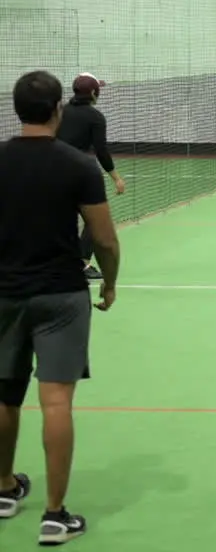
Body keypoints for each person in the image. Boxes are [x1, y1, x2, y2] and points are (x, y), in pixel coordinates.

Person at [0, 70, 121, 546]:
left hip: (5, 294)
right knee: (56, 402)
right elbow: (105, 240)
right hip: (62, 297)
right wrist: (109, 285)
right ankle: (55, 515)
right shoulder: (77, 165)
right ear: (58, 110)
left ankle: (4, 489)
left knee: (6, 394)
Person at [55, 74, 126, 280]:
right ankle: (83, 264)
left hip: (54, 172)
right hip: (80, 175)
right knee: (94, 220)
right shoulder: (95, 117)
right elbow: (101, 151)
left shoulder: (59, 112)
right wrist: (116, 178)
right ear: (94, 93)